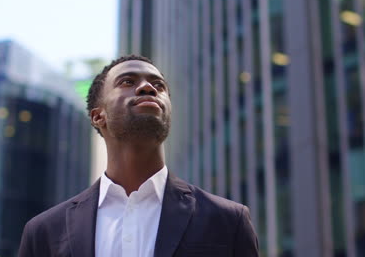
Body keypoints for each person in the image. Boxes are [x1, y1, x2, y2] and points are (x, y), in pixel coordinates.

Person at [18, 54, 259, 257]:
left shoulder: (228, 221)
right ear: (97, 116)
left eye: (159, 85)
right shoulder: (44, 233)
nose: (148, 87)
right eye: (127, 81)